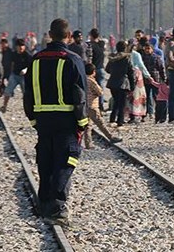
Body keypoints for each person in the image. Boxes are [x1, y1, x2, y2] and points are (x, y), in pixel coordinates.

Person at [23, 18, 88, 225]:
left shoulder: (35, 60)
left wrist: (33, 119)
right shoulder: (72, 59)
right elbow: (79, 94)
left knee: (46, 160)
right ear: (68, 36)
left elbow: (28, 94)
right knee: (66, 160)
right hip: (66, 119)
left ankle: (44, 202)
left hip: (43, 120)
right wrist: (82, 122)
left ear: (49, 35)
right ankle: (58, 208)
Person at [83, 63, 122, 148]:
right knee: (100, 123)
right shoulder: (91, 81)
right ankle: (111, 137)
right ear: (93, 72)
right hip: (92, 106)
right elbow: (100, 92)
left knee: (88, 125)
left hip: (84, 106)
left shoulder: (82, 79)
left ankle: (88, 143)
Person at [105, 41, 136, 127]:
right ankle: (120, 121)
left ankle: (112, 119)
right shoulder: (127, 58)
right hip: (123, 83)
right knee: (122, 103)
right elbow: (131, 72)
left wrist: (114, 72)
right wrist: (132, 85)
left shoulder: (112, 58)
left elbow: (107, 69)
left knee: (116, 102)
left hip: (112, 83)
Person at [141, 42, 165, 121]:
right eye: (146, 49)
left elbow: (161, 68)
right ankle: (146, 114)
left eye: (148, 49)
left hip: (155, 79)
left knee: (157, 97)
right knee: (146, 97)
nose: (147, 50)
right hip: (146, 79)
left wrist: (164, 79)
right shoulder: (142, 58)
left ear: (152, 49)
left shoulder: (156, 57)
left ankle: (159, 115)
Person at [88, 29, 106, 111]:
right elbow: (101, 40)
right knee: (100, 88)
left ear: (91, 35)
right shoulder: (102, 44)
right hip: (101, 69)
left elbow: (90, 57)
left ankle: (93, 105)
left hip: (93, 70)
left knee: (92, 88)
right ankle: (101, 105)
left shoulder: (91, 45)